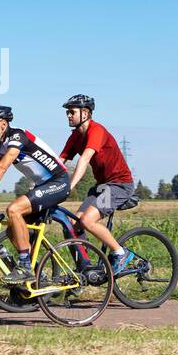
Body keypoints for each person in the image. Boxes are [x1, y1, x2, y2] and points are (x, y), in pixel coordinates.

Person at [0, 104, 70, 284]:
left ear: (3, 124)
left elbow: (2, 167)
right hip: (42, 186)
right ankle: (38, 276)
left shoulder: (17, 137)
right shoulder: (1, 145)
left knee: (13, 209)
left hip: (58, 182)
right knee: (13, 231)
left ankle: (25, 267)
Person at [59, 94, 137, 274]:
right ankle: (84, 267)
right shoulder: (75, 137)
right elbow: (59, 162)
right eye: (67, 113)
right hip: (102, 186)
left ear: (85, 112)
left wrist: (68, 187)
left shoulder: (97, 130)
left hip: (119, 184)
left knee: (87, 220)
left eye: (72, 112)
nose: (68, 115)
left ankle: (120, 252)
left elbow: (84, 159)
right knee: (72, 223)